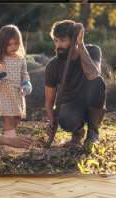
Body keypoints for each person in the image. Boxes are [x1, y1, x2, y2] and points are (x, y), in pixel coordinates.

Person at [44, 20, 106, 151]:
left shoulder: (93, 51)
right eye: (56, 41)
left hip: (90, 101)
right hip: (70, 105)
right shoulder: (52, 66)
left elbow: (93, 74)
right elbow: (49, 102)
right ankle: (77, 132)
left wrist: (80, 45)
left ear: (74, 40)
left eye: (62, 40)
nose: (58, 45)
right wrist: (51, 120)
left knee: (98, 82)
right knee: (66, 120)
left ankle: (93, 132)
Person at [0, 25, 32, 141]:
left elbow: (24, 73)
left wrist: (27, 83)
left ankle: (8, 136)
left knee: (17, 118)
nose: (13, 47)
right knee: (9, 118)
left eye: (15, 44)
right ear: (2, 44)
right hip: (3, 92)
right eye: (9, 45)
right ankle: (9, 143)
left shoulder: (21, 59)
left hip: (17, 93)